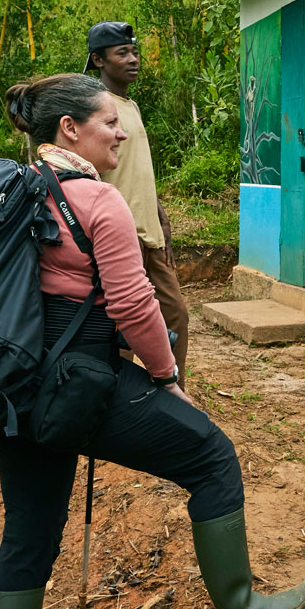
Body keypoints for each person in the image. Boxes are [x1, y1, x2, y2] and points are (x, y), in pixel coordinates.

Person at [0, 73, 305, 609]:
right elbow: (134, 305)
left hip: (10, 391)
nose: (121, 132)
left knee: (28, 531)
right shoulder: (98, 202)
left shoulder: (6, 193)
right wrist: (165, 376)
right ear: (69, 130)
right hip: (79, 388)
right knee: (212, 454)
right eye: (108, 122)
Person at [87, 22, 192, 382]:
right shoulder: (93, 108)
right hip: (118, 235)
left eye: (135, 52)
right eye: (123, 53)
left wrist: (160, 216)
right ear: (98, 60)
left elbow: (139, 170)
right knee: (122, 327)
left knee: (175, 314)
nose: (133, 60)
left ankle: (173, 393)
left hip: (149, 233)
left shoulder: (130, 105)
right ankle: (120, 398)